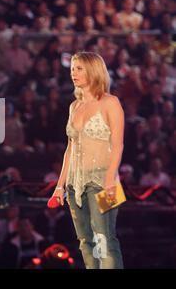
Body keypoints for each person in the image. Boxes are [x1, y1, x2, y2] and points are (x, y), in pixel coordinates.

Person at [51, 52, 124, 269]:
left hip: (104, 181)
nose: (73, 72)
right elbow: (70, 148)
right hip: (75, 185)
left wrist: (110, 179)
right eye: (72, 68)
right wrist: (59, 186)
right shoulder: (74, 106)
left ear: (93, 70)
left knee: (105, 240)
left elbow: (118, 144)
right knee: (86, 242)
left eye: (79, 68)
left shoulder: (111, 102)